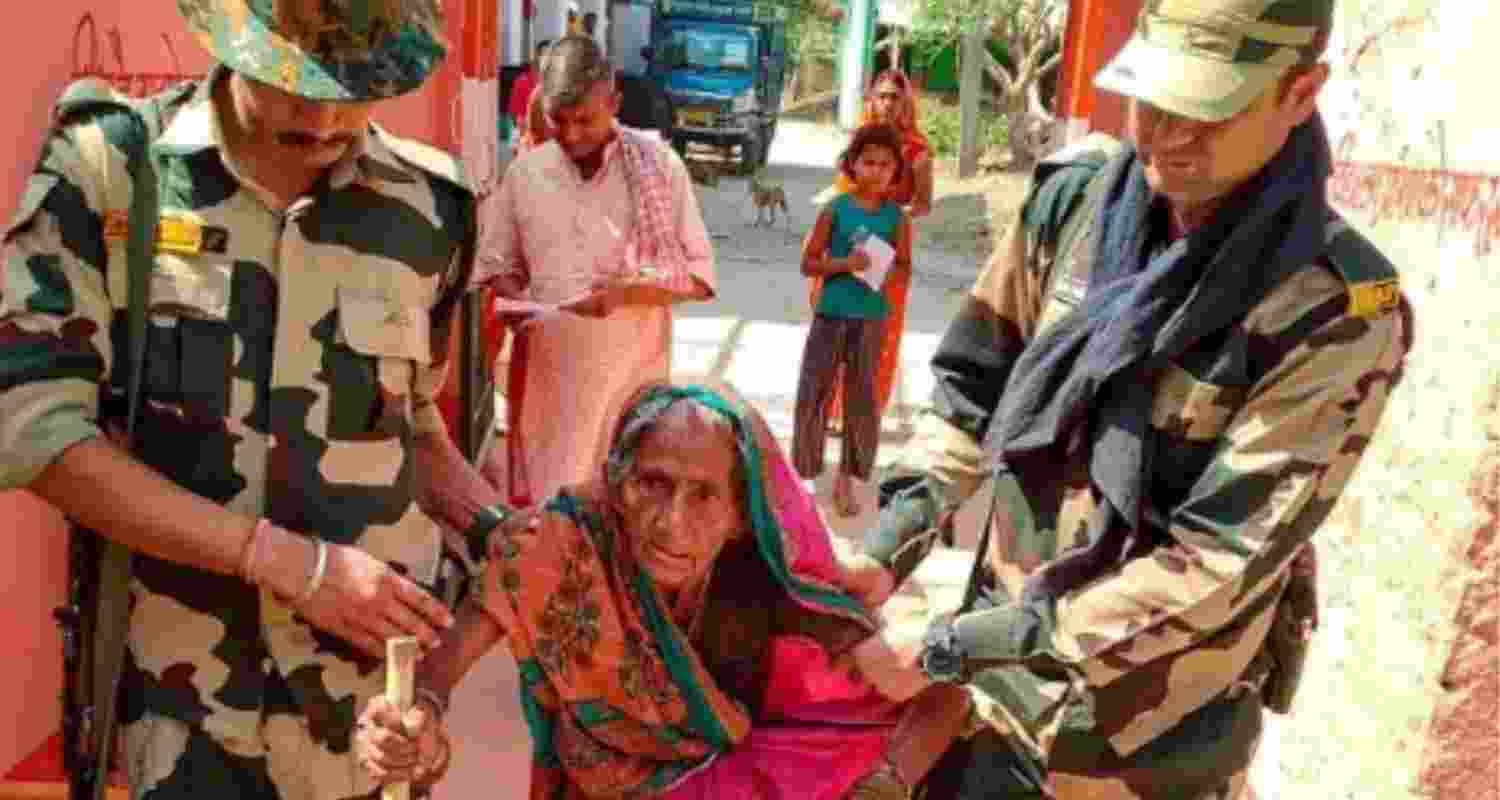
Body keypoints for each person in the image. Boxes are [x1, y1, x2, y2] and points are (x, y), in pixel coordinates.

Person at [841, 0, 1412, 797]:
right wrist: (890, 541)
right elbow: (970, 398)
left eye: (1210, 108)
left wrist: (960, 644)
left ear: (1301, 91)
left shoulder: (1334, 311)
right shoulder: (1075, 207)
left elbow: (1218, 563)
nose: (1170, 135)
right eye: (1156, 99)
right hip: (989, 708)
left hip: (1147, 746)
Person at [0, 1, 505, 797]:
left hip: (364, 726)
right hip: (178, 718)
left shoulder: (432, 209)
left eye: (359, 80)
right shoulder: (111, 173)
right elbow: (30, 427)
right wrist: (287, 565)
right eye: (299, 78)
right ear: (234, 40)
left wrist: (497, 528)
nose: (329, 112)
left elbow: (411, 426)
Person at [351, 381, 973, 799]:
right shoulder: (560, 542)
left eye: (704, 495)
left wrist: (885, 784)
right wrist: (416, 719)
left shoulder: (769, 578)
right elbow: (443, 664)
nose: (672, 523)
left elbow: (938, 700)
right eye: (652, 484)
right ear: (616, 483)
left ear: (738, 514)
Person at [480, 36, 715, 506]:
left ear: (615, 102)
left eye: (584, 119)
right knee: (555, 519)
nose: (570, 135)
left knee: (625, 521)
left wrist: (624, 293)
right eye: (558, 120)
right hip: (552, 396)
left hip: (630, 393)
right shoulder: (526, 175)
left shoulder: (659, 168)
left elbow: (699, 278)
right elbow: (495, 265)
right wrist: (513, 301)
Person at [794, 124, 913, 518]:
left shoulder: (898, 218)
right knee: (815, 392)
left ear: (896, 171)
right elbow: (807, 262)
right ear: (852, 165)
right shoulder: (835, 209)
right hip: (831, 312)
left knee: (862, 401)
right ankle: (806, 477)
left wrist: (885, 265)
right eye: (868, 162)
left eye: (885, 164)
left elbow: (905, 268)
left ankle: (847, 479)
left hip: (871, 318)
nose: (875, 171)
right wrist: (846, 264)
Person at [813, 70, 934, 442]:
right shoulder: (856, 145)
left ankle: (860, 411)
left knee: (876, 332)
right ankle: (829, 409)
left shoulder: (918, 152)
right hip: (844, 246)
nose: (887, 104)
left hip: (887, 252)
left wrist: (885, 223)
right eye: (881, 96)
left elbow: (923, 205)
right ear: (871, 100)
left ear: (906, 104)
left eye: (894, 98)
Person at [509, 40, 550, 142]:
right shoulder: (523, 81)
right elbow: (516, 116)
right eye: (544, 55)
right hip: (530, 140)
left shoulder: (561, 82)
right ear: (537, 57)